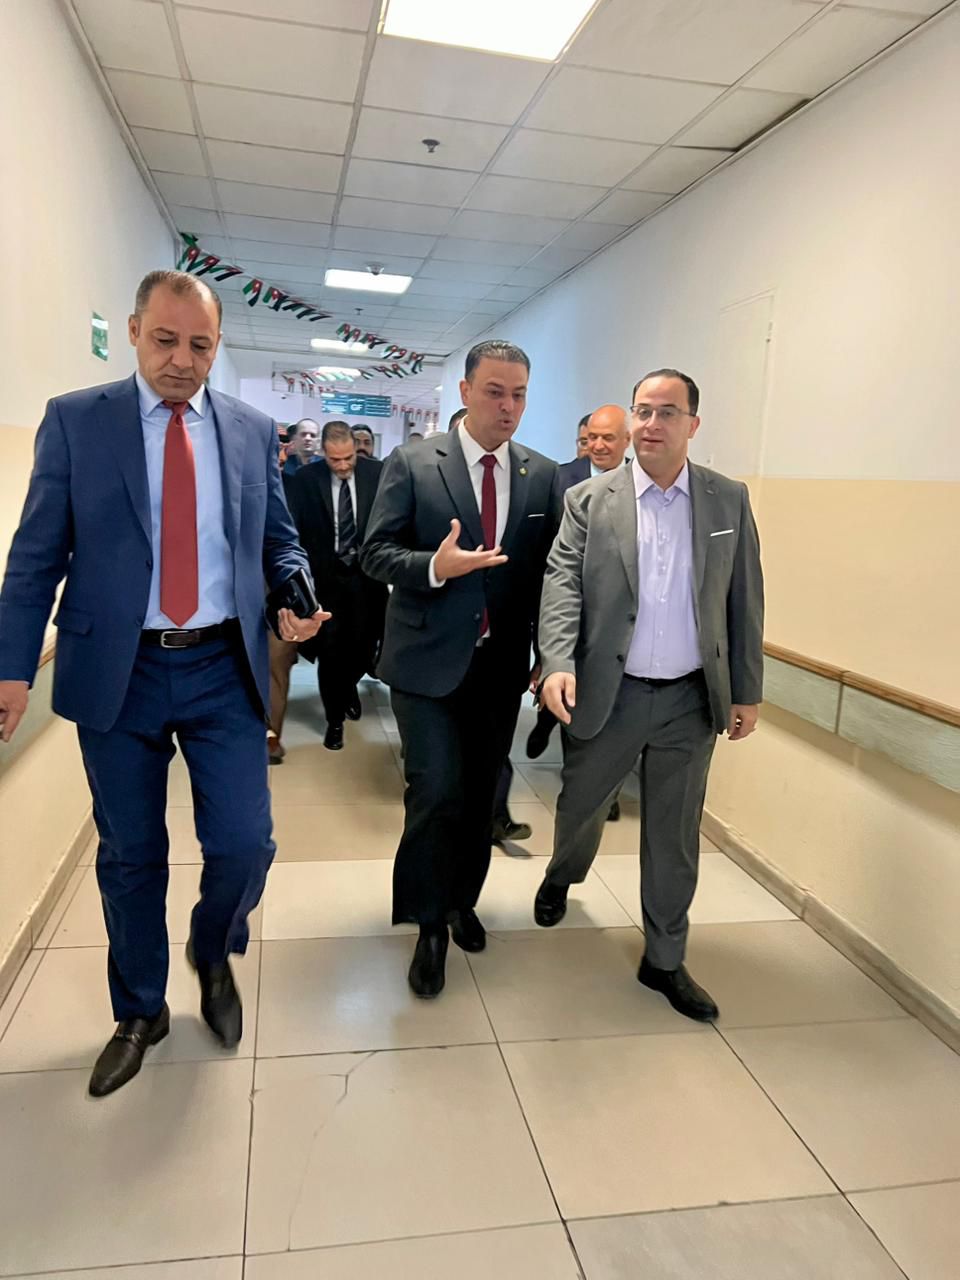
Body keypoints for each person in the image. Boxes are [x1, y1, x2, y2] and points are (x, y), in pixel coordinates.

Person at [0, 270, 326, 1097]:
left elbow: (278, 539)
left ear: (218, 347)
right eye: (166, 340)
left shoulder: (250, 430)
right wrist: (10, 669)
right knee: (131, 853)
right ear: (135, 331)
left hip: (222, 666)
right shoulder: (77, 421)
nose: (182, 360)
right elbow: (34, 558)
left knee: (245, 844)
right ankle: (140, 1010)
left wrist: (294, 588)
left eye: (200, 346)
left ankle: (212, 950)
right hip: (120, 671)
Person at [534, 368, 764, 1023]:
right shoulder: (589, 500)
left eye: (667, 412)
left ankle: (664, 959)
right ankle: (562, 873)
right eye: (643, 411)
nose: (652, 424)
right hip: (610, 693)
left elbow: (745, 597)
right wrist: (556, 662)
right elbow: (562, 584)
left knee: (674, 834)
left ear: (693, 424)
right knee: (581, 807)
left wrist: (746, 689)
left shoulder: (726, 500)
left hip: (689, 700)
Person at [362, 340, 560, 998]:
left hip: (499, 668)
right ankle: (428, 924)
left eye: (519, 394)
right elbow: (375, 553)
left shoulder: (540, 475)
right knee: (436, 790)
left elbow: (549, 575)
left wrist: (549, 654)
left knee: (480, 797)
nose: (508, 406)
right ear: (467, 391)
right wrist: (433, 567)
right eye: (495, 391)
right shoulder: (415, 463)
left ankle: (460, 901)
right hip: (425, 663)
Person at [526, 405, 633, 827]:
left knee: (606, 706)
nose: (598, 446)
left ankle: (602, 789)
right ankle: (551, 726)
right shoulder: (561, 479)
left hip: (614, 623)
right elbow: (545, 554)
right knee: (568, 693)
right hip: (567, 611)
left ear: (626, 441)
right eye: (591, 438)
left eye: (608, 438)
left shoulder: (640, 482)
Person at [286, 421, 387, 750]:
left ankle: (348, 688)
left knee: (363, 648)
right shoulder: (306, 480)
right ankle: (334, 721)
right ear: (323, 453)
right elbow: (295, 531)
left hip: (367, 579)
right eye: (335, 460)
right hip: (326, 580)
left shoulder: (377, 474)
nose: (343, 466)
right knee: (330, 651)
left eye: (348, 458)